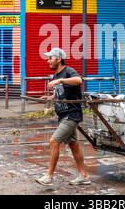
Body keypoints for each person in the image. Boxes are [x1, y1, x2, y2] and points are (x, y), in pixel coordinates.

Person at [36, 48, 90, 186]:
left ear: (58, 59)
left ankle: (49, 176)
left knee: (54, 141)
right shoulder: (56, 75)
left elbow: (78, 80)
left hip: (72, 115)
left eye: (50, 58)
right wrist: (50, 97)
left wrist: (60, 81)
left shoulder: (68, 71)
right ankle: (83, 176)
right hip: (63, 115)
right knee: (74, 146)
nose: (48, 61)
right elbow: (61, 94)